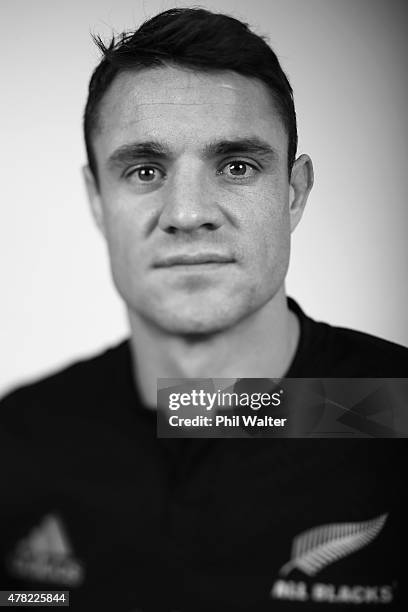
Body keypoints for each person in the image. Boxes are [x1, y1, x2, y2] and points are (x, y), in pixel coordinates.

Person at [1, 7, 407, 611]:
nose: (188, 213)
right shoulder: (22, 440)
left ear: (293, 194)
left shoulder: (393, 409)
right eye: (144, 170)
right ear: (96, 198)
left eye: (237, 166)